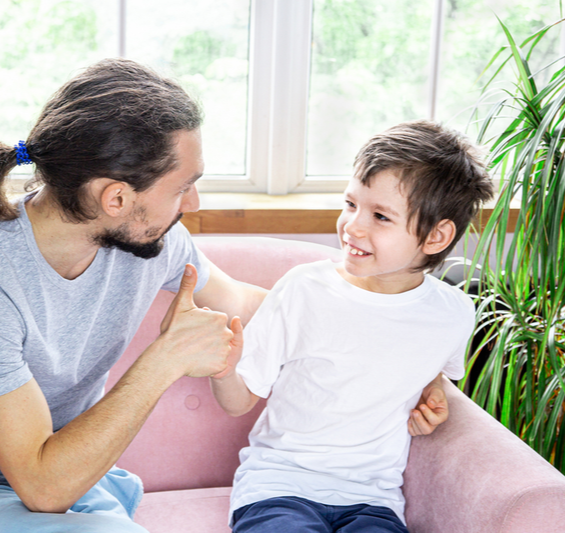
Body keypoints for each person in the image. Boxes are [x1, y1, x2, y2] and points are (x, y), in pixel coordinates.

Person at [0, 58, 268, 533]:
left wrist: (361, 295)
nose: (193, 203)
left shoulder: (153, 240)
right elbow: (42, 488)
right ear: (116, 198)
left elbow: (243, 303)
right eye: (184, 187)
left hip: (86, 487)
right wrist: (166, 359)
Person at [210, 120, 494, 533]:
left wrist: (434, 394)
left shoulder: (453, 312)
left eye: (380, 216)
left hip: (374, 500)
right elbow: (239, 401)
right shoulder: (305, 289)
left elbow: (432, 369)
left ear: (436, 236)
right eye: (350, 204)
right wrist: (223, 367)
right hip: (278, 487)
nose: (353, 226)